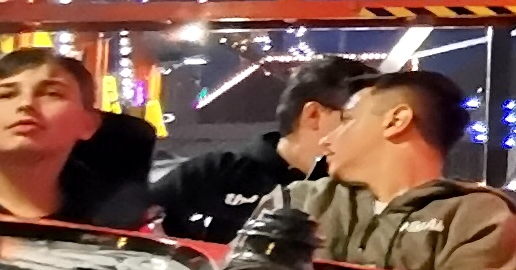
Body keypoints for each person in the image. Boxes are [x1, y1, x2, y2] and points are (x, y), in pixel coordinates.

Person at [287, 70, 516, 270]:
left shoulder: (475, 216)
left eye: (347, 120)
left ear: (396, 121)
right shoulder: (301, 200)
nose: (326, 140)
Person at [0, 46, 146, 227]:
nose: (26, 104)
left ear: (89, 124)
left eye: (51, 93)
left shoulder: (127, 225)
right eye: (6, 95)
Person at [150, 55, 369, 239]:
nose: (376, 131)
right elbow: (141, 228)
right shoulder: (211, 174)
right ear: (313, 115)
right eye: (357, 118)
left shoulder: (362, 190)